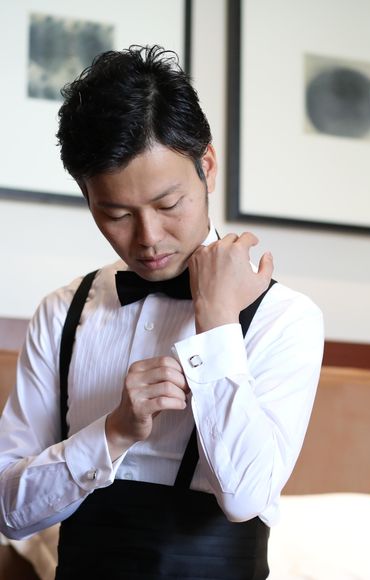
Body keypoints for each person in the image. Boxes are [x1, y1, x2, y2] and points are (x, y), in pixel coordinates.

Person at [0, 45, 324, 579]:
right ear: (87, 198)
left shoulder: (285, 318)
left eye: (168, 204)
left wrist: (216, 323)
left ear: (207, 167)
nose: (148, 238)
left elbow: (245, 496)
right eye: (116, 214)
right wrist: (112, 433)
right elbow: (10, 512)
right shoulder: (62, 313)